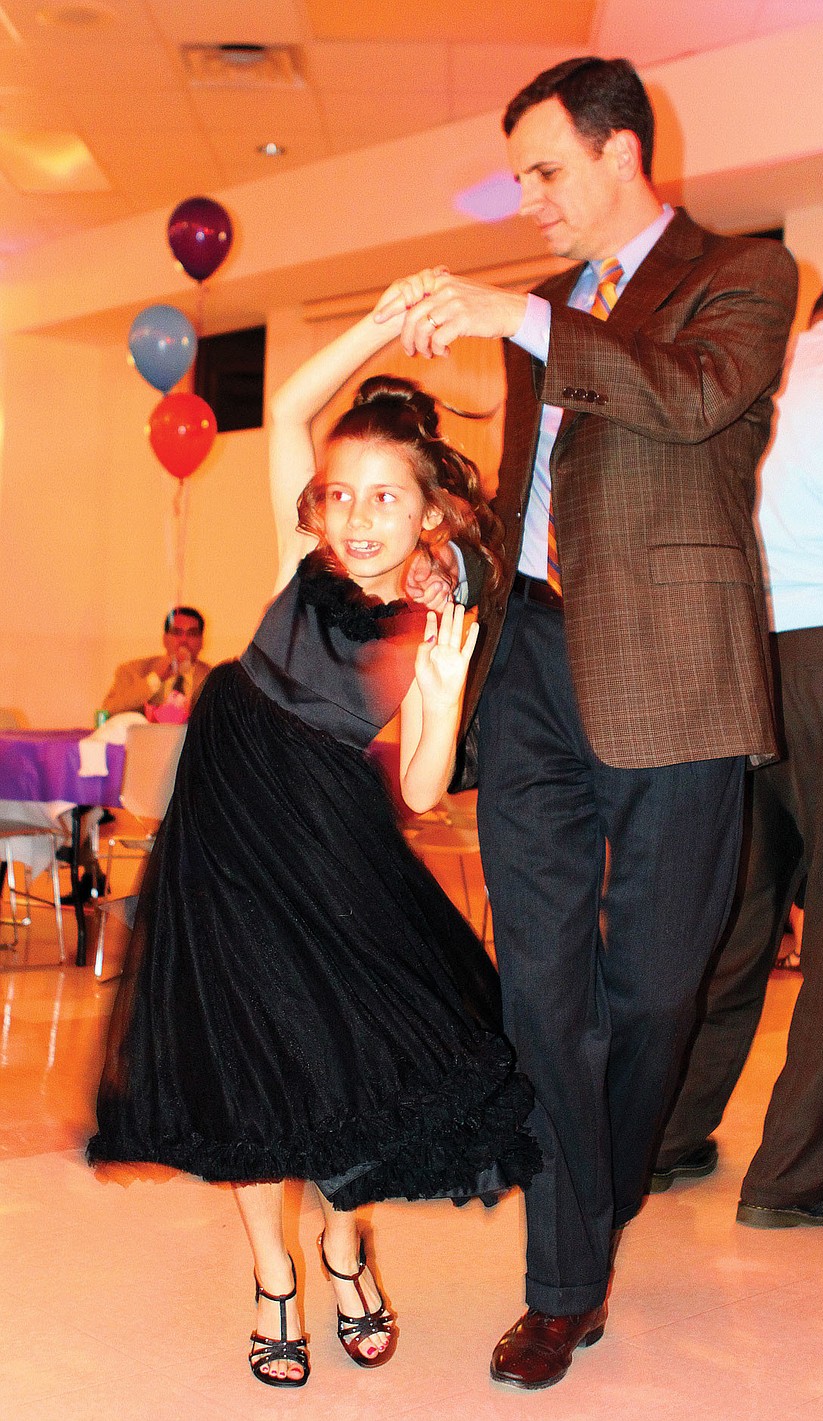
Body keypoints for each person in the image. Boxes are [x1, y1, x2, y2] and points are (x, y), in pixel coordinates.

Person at [376, 56, 797, 1389]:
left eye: (546, 170)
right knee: (540, 988)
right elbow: (529, 495)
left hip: (676, 674)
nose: (529, 200)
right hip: (531, 667)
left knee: (655, 988)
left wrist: (522, 315)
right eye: (519, 177)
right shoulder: (545, 311)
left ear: (621, 152)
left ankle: (591, 1203)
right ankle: (561, 1284)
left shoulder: (744, 274)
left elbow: (691, 397)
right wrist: (459, 558)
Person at [87, 282, 540, 1388]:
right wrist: (382, 323)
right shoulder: (306, 563)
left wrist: (442, 696)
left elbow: (422, 789)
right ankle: (272, 1279)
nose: (357, 515)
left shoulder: (434, 621)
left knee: (344, 1056)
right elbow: (291, 406)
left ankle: (344, 1246)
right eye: (342, 493)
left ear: (428, 512)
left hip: (330, 841)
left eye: (386, 496)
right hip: (224, 828)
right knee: (244, 1059)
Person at [651, 263, 823, 1227]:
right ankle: (794, 1173)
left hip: (745, 657)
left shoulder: (762, 380)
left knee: (739, 918)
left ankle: (662, 1133)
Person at [101, 606, 212, 716]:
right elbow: (108, 710)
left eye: (192, 633)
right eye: (177, 632)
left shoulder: (212, 677)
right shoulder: (133, 671)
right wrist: (156, 678)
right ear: (165, 639)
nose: (184, 640)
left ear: (202, 641)